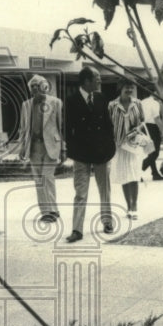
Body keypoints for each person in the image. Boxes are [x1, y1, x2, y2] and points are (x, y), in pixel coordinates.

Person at [64, 66, 116, 242]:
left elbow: (109, 126)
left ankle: (107, 221)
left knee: (105, 190)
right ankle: (77, 230)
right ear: (87, 81)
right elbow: (67, 129)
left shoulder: (101, 98)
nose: (100, 80)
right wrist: (72, 151)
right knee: (80, 192)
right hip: (81, 155)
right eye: (97, 77)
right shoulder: (71, 101)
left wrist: (111, 147)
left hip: (102, 153)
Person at [18, 74, 65, 223]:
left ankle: (51, 210)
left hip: (51, 145)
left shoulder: (56, 103)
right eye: (32, 87)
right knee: (39, 180)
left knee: (47, 177)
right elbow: (23, 128)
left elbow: (61, 126)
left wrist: (64, 148)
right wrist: (21, 148)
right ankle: (48, 211)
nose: (34, 90)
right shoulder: (26, 105)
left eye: (37, 86)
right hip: (34, 147)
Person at [108, 82, 145, 220]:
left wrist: (138, 128)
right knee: (124, 176)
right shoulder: (112, 105)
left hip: (134, 145)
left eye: (131, 87)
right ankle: (128, 206)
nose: (129, 89)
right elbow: (108, 123)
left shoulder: (138, 103)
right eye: (126, 87)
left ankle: (134, 207)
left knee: (134, 175)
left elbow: (143, 121)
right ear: (120, 88)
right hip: (119, 146)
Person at [138, 89, 163, 180]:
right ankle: (137, 171)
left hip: (143, 127)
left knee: (150, 152)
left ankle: (155, 173)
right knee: (155, 153)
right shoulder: (155, 103)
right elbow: (157, 118)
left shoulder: (142, 102)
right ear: (155, 93)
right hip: (152, 127)